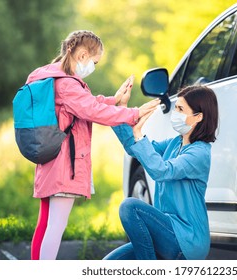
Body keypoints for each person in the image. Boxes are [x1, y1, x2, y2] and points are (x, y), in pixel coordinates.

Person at [28, 30, 160, 260]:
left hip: (51, 161)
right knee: (56, 226)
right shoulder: (67, 84)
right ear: (81, 55)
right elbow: (92, 111)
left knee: (45, 223)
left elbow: (86, 104)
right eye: (95, 61)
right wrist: (133, 113)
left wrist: (115, 101)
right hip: (64, 165)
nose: (94, 66)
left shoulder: (55, 79)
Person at [103, 85, 219, 260]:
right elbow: (136, 148)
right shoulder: (175, 143)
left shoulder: (199, 153)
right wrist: (120, 110)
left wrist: (139, 135)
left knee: (130, 207)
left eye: (181, 109)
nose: (175, 113)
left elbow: (162, 171)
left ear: (198, 117)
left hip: (186, 240)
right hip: (165, 233)